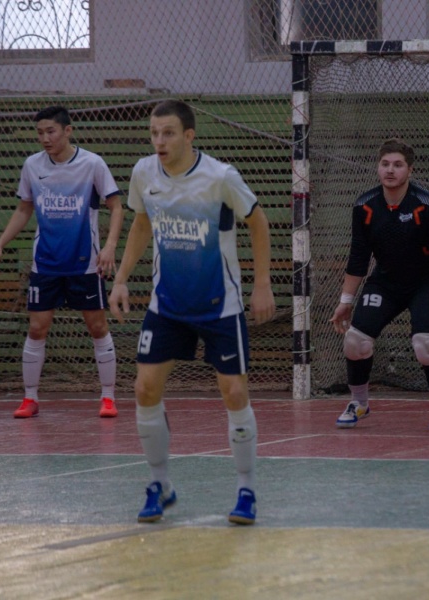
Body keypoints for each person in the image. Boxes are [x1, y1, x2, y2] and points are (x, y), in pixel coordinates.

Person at [109, 99, 276, 525]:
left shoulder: (220, 177)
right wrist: (121, 278)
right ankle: (160, 485)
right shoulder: (144, 173)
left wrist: (261, 284)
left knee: (234, 393)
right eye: (153, 133)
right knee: (145, 389)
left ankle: (247, 490)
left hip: (220, 305)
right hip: (167, 304)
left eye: (167, 133)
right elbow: (142, 223)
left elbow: (258, 222)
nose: (159, 141)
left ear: (188, 135)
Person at [328, 138, 429, 432]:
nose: (390, 170)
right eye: (385, 164)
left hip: (428, 283)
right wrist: (345, 302)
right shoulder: (364, 206)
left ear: (410, 170)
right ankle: (359, 403)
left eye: (397, 165)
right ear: (377, 168)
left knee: (426, 344)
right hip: (386, 282)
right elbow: (358, 256)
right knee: (355, 341)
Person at [0, 105, 124, 419]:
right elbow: (24, 209)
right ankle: (30, 398)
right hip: (46, 263)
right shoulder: (32, 165)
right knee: (37, 328)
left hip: (84, 263)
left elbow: (116, 207)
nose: (45, 138)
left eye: (51, 131)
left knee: (97, 327)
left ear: (67, 130)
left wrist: (110, 247)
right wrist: (0, 243)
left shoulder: (92, 164)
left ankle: (107, 397)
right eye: (40, 133)